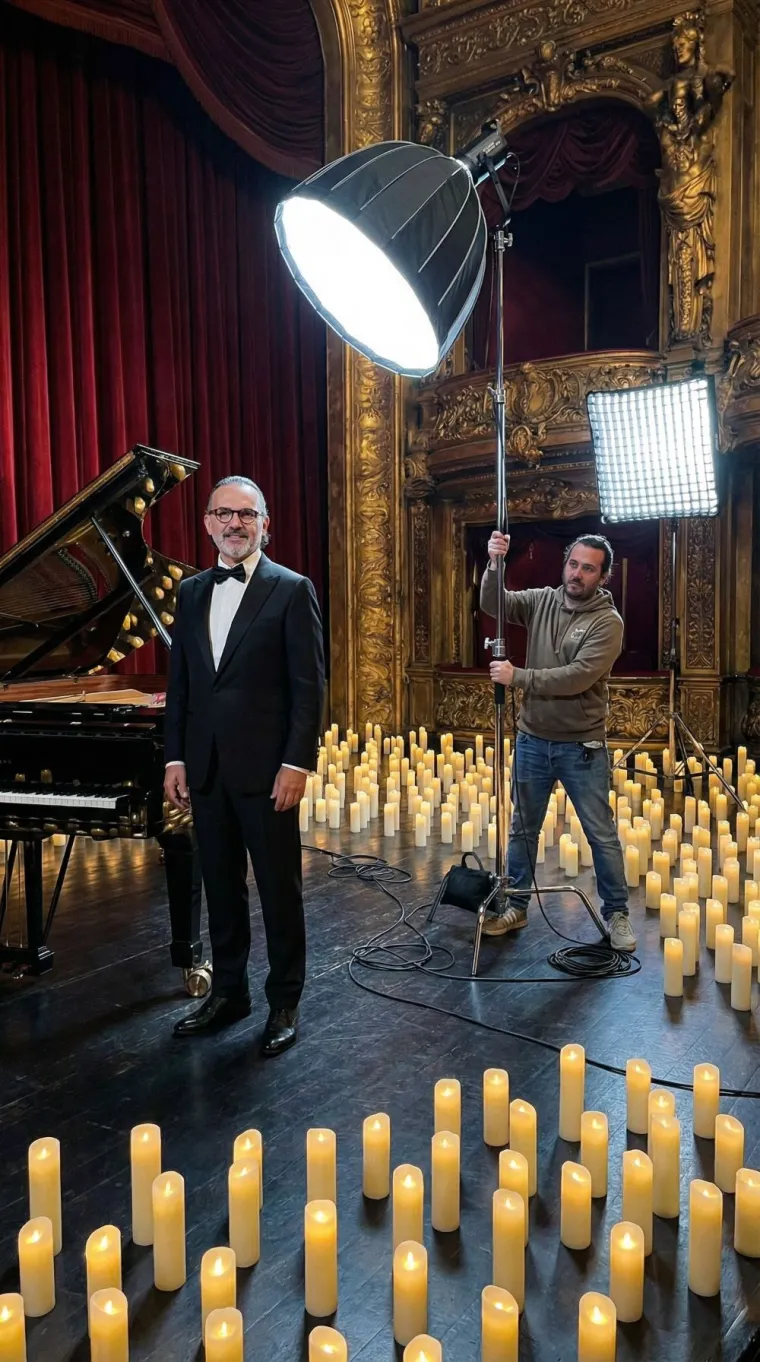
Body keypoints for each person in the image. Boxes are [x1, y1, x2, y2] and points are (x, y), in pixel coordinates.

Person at [164, 476, 325, 1054]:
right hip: (204, 768)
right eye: (224, 514)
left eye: (246, 515)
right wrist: (176, 756)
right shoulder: (189, 592)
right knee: (221, 888)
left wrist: (297, 764)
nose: (235, 524)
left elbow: (309, 689)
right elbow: (181, 684)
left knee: (279, 890)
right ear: (208, 523)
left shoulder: (291, 589)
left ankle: (284, 1000)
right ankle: (228, 992)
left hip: (267, 772)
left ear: (265, 524)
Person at [480, 529, 636, 952]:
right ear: (564, 563)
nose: (577, 573)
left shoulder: (608, 623)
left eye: (589, 568)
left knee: (599, 833)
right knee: (523, 830)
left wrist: (520, 677)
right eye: (573, 564)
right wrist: (495, 564)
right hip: (533, 739)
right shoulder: (542, 600)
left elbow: (576, 677)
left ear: (602, 577)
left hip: (581, 746)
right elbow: (494, 604)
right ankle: (515, 904)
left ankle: (616, 913)